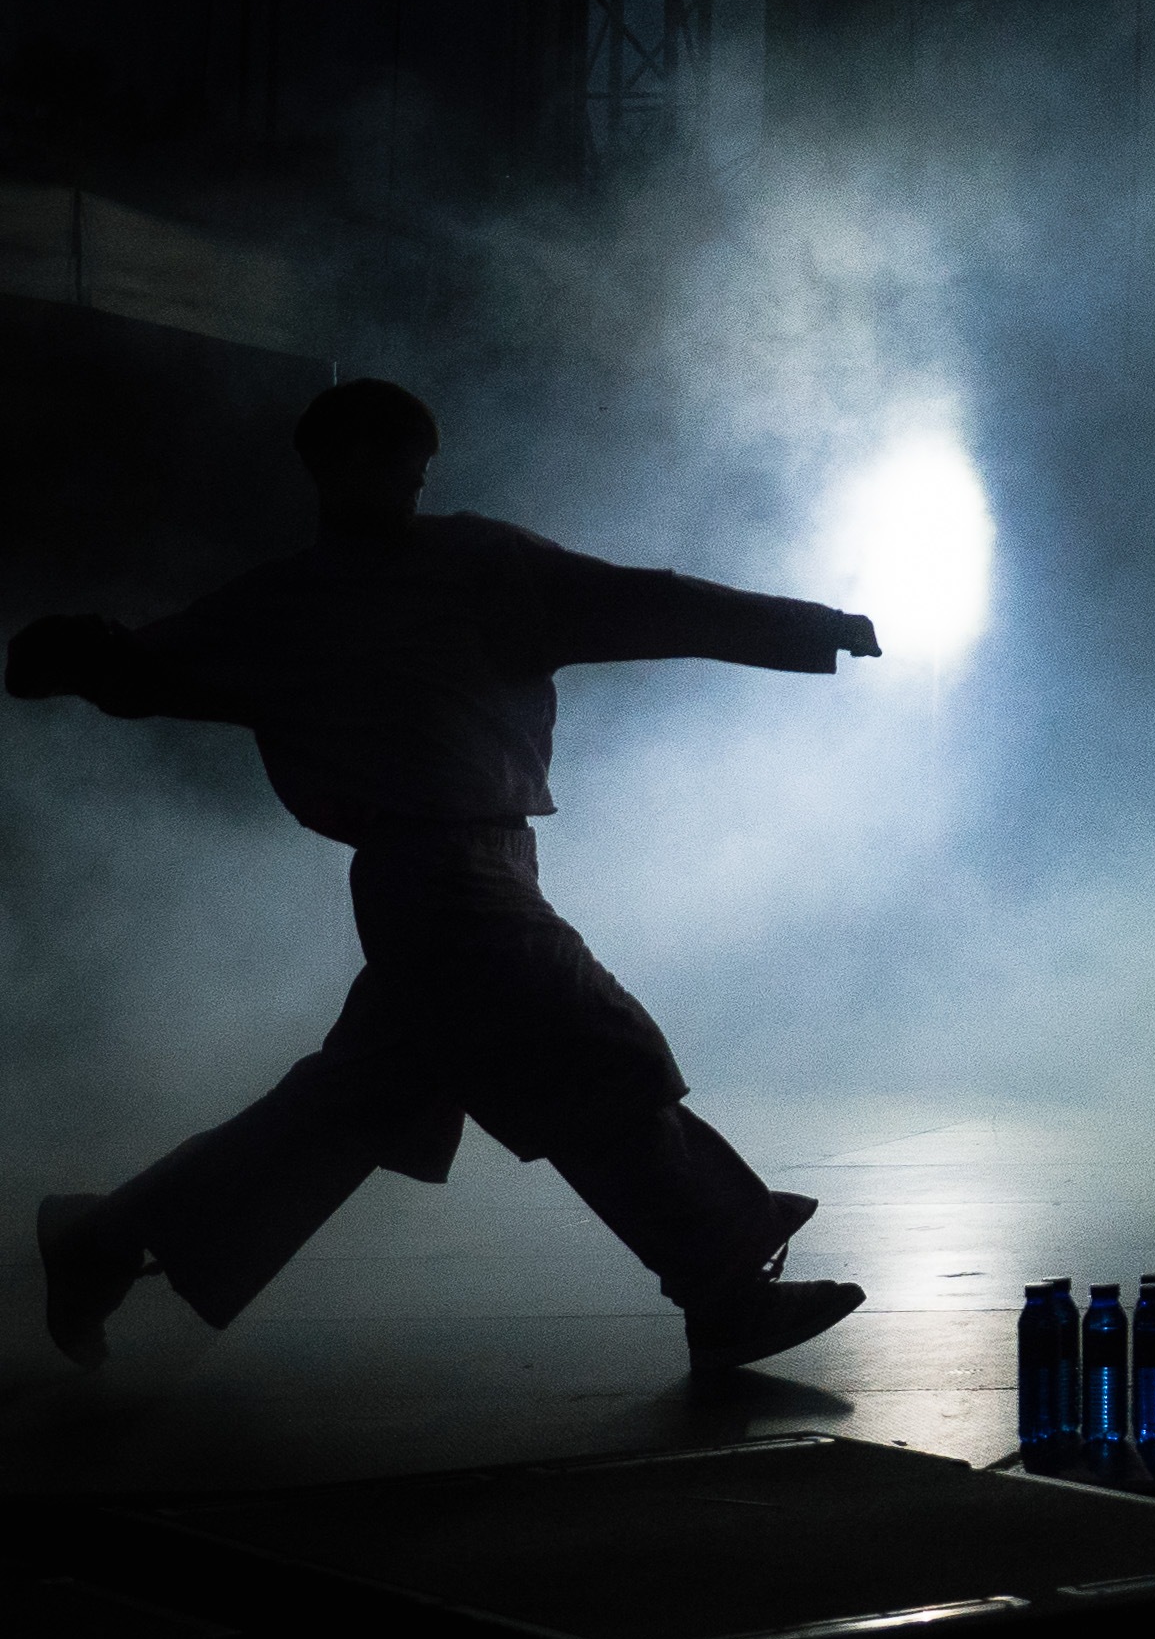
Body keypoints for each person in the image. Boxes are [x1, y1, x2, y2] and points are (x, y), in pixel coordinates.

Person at [13, 379, 882, 1370]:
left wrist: (804, 626)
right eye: (391, 460)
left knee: (355, 1103)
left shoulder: (458, 569)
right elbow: (150, 665)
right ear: (331, 465)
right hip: (448, 880)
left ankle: (99, 1241)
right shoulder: (328, 594)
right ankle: (723, 1286)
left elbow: (650, 604)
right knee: (595, 1056)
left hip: (454, 874)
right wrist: (83, 656)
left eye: (412, 465)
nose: (406, 481)